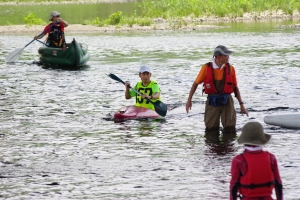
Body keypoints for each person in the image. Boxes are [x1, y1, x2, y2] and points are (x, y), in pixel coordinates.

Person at [186, 45, 248, 132]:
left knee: (230, 129)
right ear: (218, 57)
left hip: (227, 101)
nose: (228, 58)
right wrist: (189, 100)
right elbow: (195, 84)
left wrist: (241, 105)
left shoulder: (231, 69)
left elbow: (235, 88)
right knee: (211, 129)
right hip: (212, 101)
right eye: (226, 55)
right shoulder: (206, 68)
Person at [230, 121, 283, 200]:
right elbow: (278, 183)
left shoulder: (239, 160)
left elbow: (233, 186)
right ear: (262, 140)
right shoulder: (271, 158)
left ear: (244, 140)